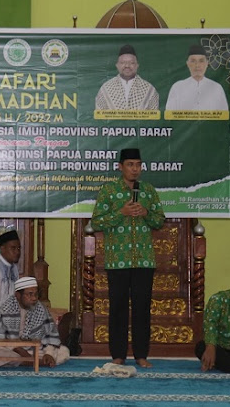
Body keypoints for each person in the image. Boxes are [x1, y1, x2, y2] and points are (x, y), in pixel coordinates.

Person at [91, 148, 165, 368]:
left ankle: (141, 355)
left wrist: (146, 214)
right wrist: (120, 213)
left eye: (138, 165)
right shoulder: (109, 190)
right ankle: (118, 355)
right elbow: (96, 223)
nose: (135, 169)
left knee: (142, 309)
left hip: (144, 260)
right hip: (117, 260)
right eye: (131, 164)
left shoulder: (149, 191)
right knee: (118, 309)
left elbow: (159, 221)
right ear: (120, 167)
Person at [0, 276, 70, 368]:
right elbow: (0, 338)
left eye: (36, 294)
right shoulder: (5, 310)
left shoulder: (41, 309)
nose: (34, 298)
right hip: (14, 350)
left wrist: (49, 354)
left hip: (36, 350)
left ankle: (27, 362)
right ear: (18, 295)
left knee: (64, 351)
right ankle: (36, 363)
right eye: (30, 294)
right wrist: (18, 349)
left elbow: (50, 335)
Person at [165, 44, 229, 111]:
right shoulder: (177, 87)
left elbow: (224, 114)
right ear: (187, 63)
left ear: (207, 63)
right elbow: (170, 115)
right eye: (193, 61)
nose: (197, 65)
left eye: (201, 61)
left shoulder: (217, 88)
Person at [95, 44, 159, 110]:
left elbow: (154, 118)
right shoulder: (106, 89)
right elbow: (99, 117)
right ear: (117, 66)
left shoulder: (149, 90)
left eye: (131, 63)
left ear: (137, 66)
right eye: (123, 62)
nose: (127, 66)